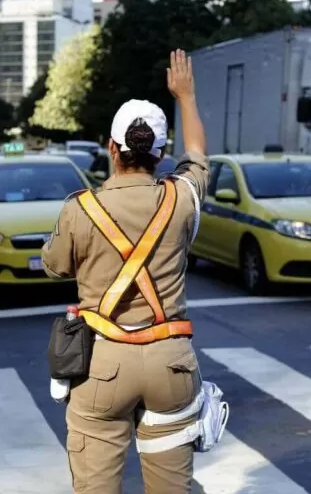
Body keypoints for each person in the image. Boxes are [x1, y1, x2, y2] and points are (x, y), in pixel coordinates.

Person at [41, 50, 210, 493]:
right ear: (161, 153)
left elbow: (55, 267)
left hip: (102, 363)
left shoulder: (81, 208)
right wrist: (186, 97)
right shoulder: (182, 199)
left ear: (111, 148)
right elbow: (198, 155)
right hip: (171, 365)